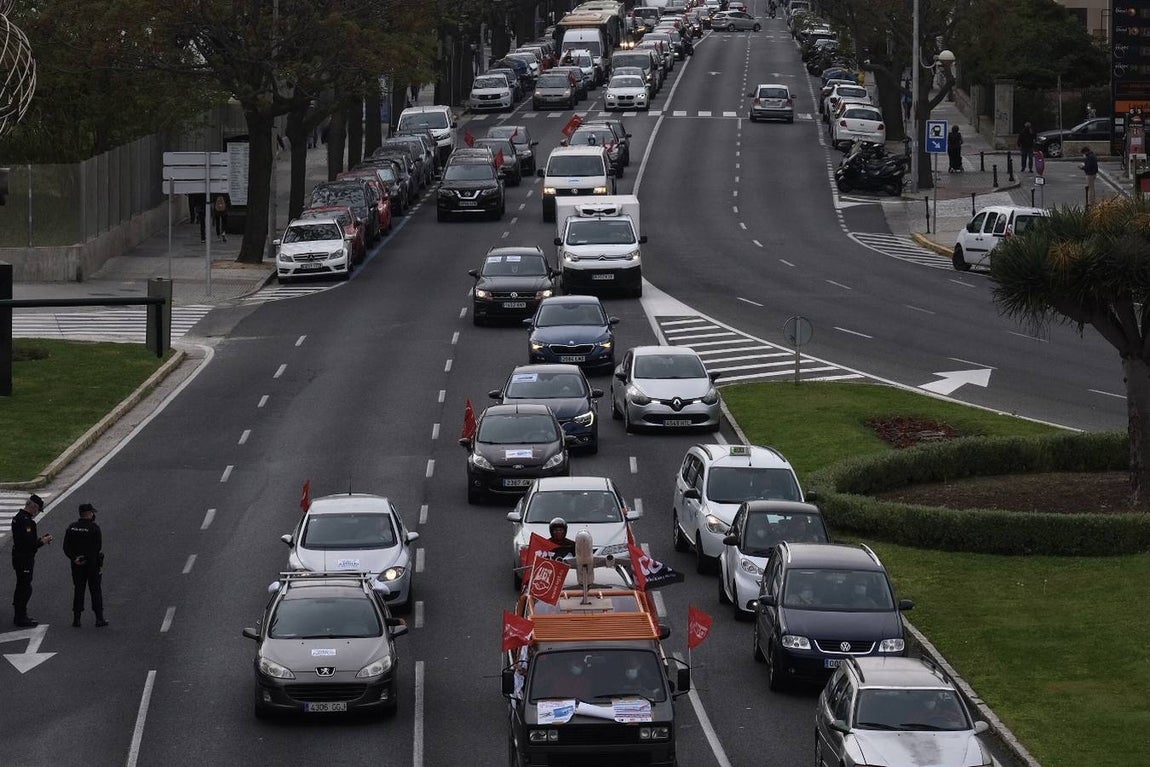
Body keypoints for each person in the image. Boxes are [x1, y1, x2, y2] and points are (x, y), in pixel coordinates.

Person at [11, 494, 52, 627]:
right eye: (37, 509)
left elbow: (25, 540)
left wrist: (39, 539)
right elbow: (29, 545)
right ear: (33, 506)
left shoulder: (18, 518)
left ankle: (20, 614)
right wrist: (42, 542)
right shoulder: (26, 521)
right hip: (24, 558)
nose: (36, 513)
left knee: (21, 586)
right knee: (25, 588)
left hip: (18, 556)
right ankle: (21, 616)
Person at [63, 503, 106, 628]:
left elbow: (66, 547)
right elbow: (97, 547)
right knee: (95, 591)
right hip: (92, 565)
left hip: (76, 565)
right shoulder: (94, 528)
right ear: (89, 514)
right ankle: (99, 618)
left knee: (78, 590)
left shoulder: (72, 528)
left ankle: (76, 619)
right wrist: (87, 558)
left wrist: (75, 558)